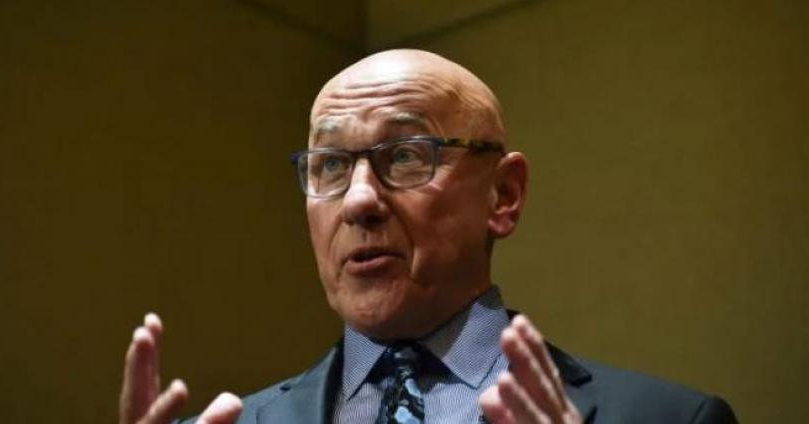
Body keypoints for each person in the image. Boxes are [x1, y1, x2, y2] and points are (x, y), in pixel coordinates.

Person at [119, 49, 737, 424]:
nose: (359, 200)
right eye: (330, 165)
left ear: (504, 195)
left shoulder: (673, 421)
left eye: (408, 155)